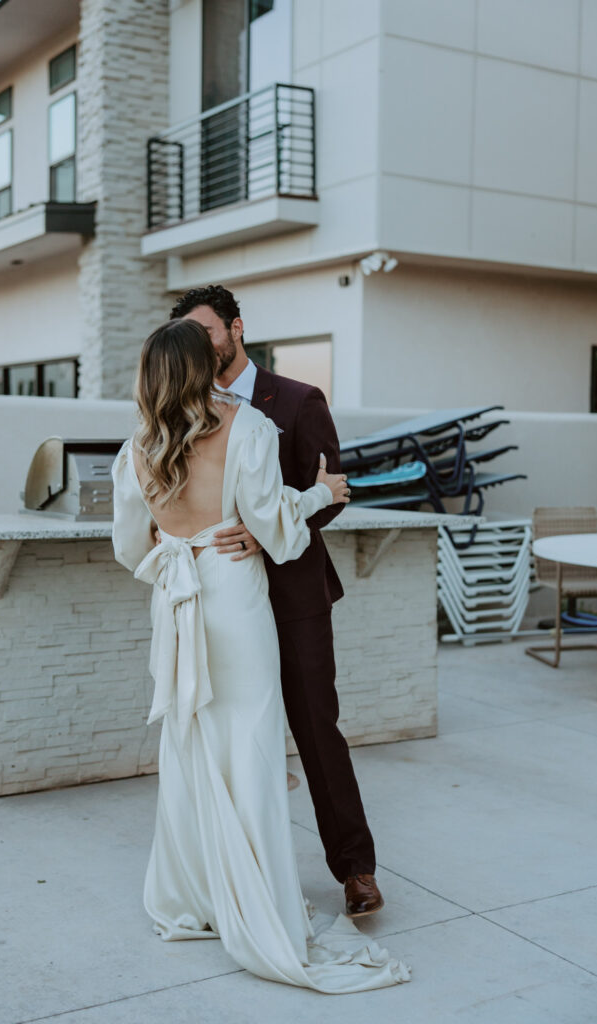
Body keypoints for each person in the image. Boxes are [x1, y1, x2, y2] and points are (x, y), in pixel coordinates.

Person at [111, 318, 409, 992]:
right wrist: (322, 494)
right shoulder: (245, 429)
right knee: (248, 742)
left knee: (192, 745)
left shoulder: (136, 449)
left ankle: (197, 899)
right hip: (234, 603)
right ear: (199, 367)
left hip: (179, 596)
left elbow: (131, 550)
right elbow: (274, 524)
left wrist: (176, 551)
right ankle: (258, 900)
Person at [169, 285, 383, 919]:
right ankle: (241, 874)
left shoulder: (296, 400)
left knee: (317, 730)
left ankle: (356, 870)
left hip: (294, 598)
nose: (200, 346)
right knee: (229, 734)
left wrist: (264, 536)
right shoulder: (185, 408)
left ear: (236, 328)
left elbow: (333, 491)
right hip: (225, 603)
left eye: (206, 331)